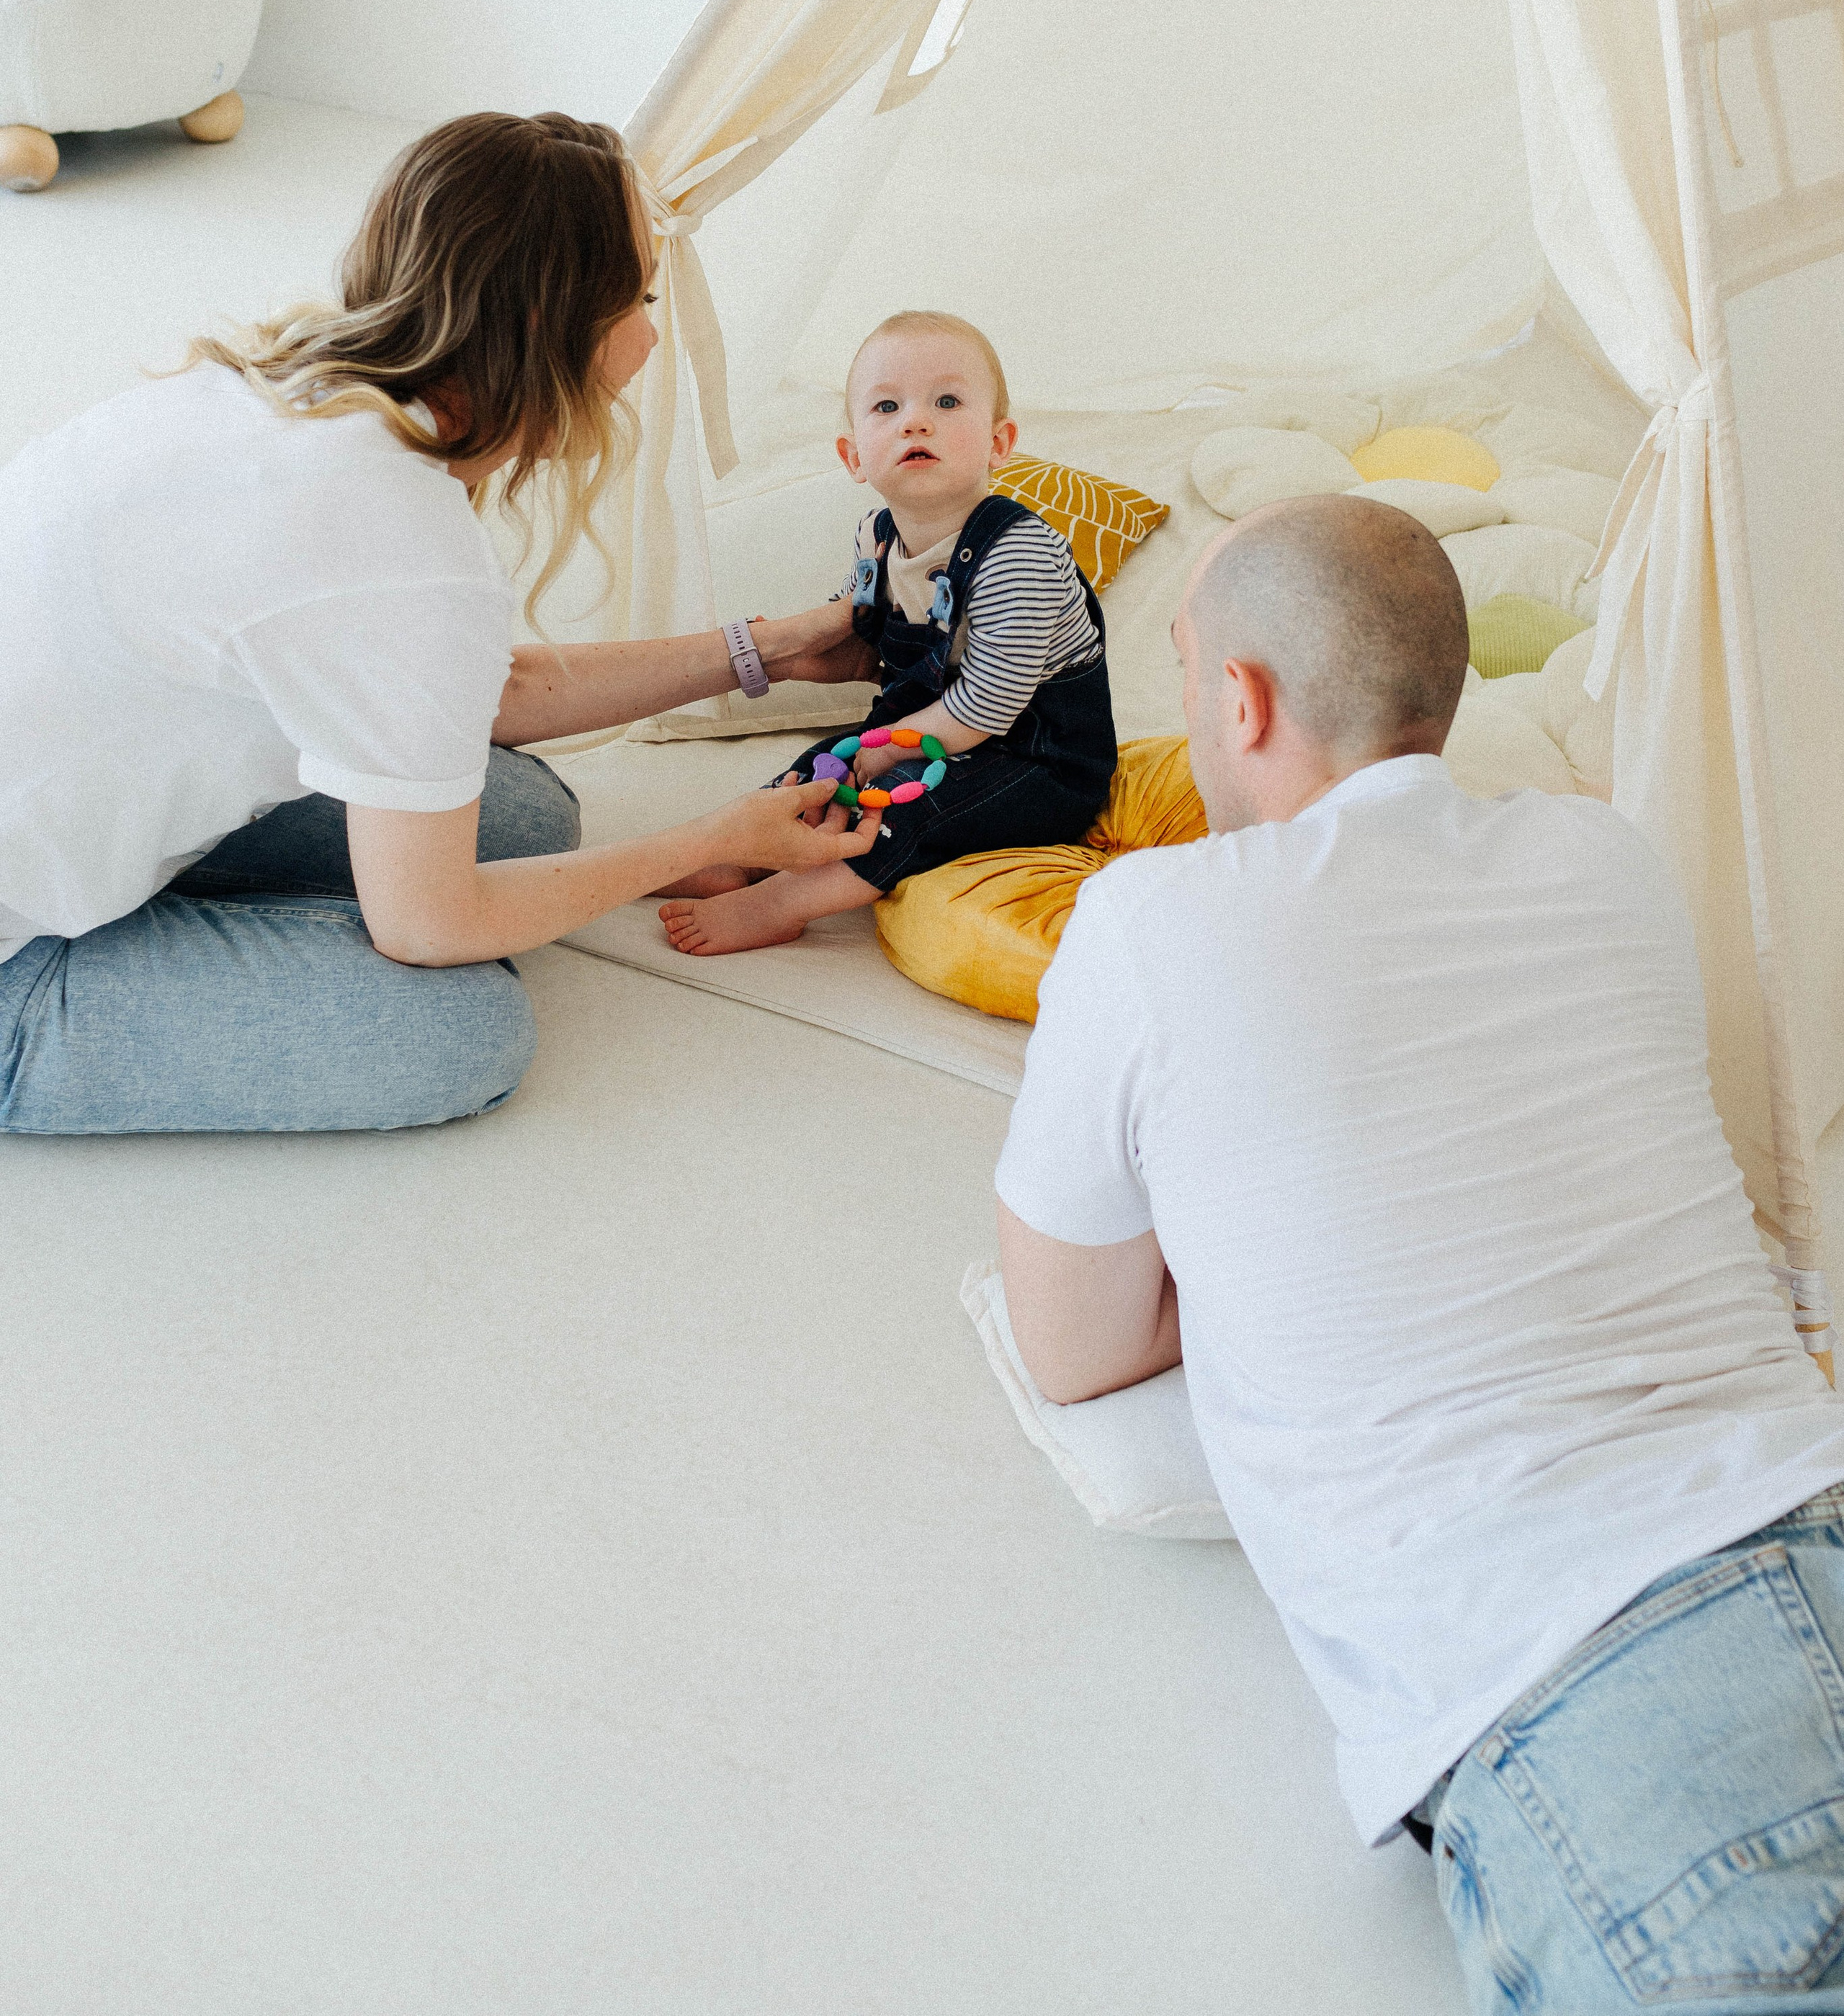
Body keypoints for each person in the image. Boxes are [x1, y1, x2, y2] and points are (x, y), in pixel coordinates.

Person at [995, 493, 1844, 2012]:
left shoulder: (1148, 923)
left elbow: (1072, 1345)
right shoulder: (1607, 863)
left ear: (1235, 700)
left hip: (1594, 1672)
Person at [0, 111, 880, 1137]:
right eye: (639, 299)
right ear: (557, 333)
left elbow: (458, 690)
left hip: (52, 795)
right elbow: (429, 927)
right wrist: (701, 838)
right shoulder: (395, 546)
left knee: (522, 820)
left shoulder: (298, 390)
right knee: (457, 1027)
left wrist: (762, 652)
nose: (650, 335)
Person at [657, 310, 1115, 957]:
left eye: (948, 401)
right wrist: (789, 661)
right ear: (853, 456)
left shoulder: (1020, 554)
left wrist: (892, 749)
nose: (916, 421)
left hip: (1034, 763)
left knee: (913, 809)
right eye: (887, 406)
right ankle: (745, 855)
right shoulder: (877, 536)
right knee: (820, 765)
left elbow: (989, 701)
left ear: (999, 442)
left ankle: (783, 901)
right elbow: (872, 638)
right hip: (930, 729)